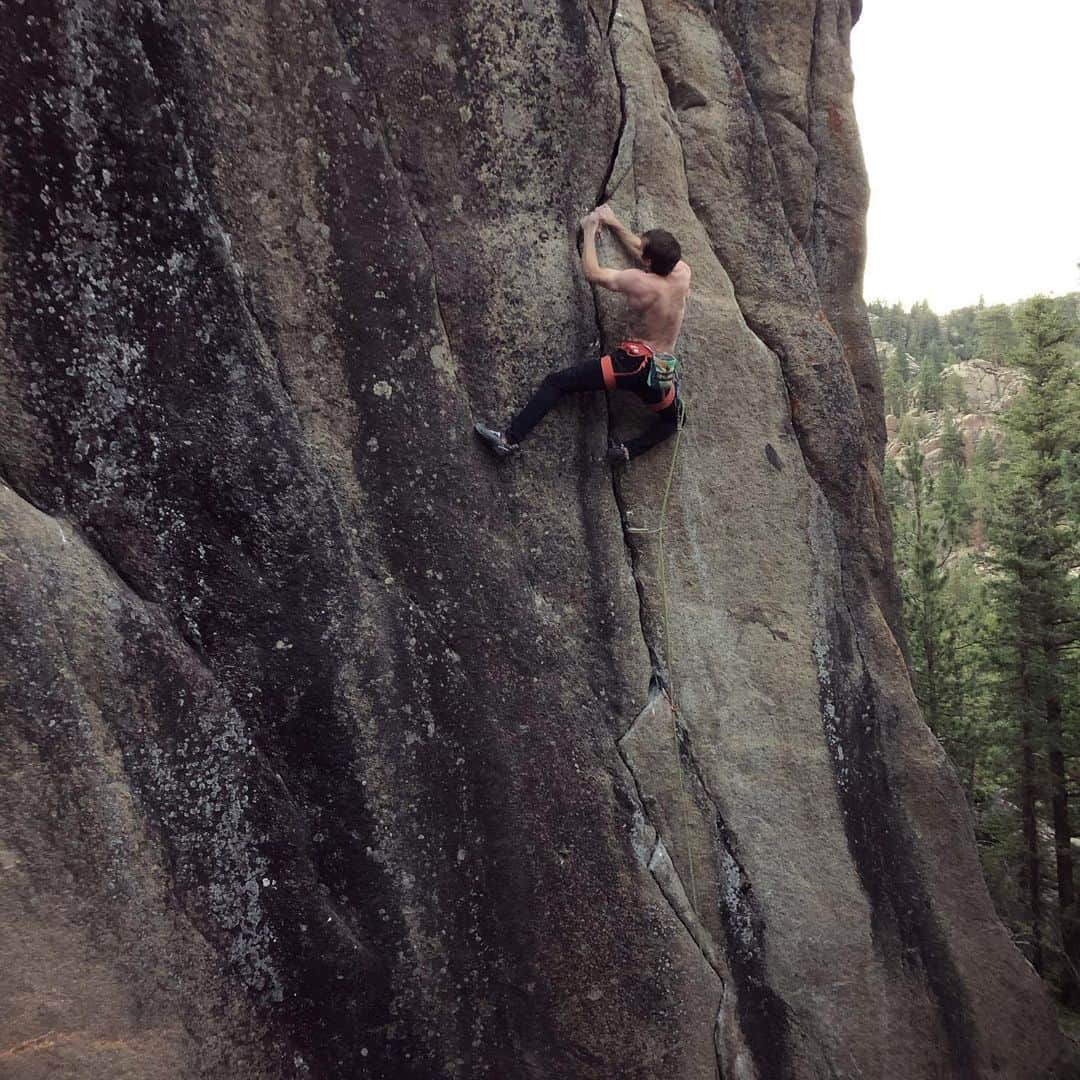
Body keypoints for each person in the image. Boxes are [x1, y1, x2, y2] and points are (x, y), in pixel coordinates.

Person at [475, 204, 691, 464]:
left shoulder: (641, 282)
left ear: (648, 262)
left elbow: (593, 272)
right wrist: (614, 222)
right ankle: (628, 451)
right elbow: (643, 251)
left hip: (631, 364)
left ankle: (508, 440)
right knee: (675, 417)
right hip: (660, 374)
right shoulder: (682, 274)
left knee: (557, 382)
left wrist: (590, 230)